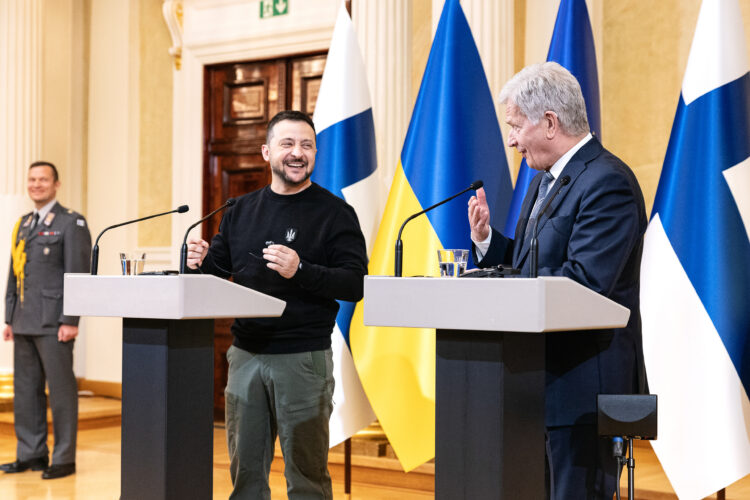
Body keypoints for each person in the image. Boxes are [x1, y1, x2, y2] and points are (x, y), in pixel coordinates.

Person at [467, 62, 647, 499]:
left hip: (584, 387)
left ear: (549, 123)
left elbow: (585, 283)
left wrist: (505, 290)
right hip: (536, 381)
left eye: (514, 126)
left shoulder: (608, 182)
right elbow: (535, 265)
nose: (510, 139)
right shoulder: (543, 180)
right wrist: (490, 243)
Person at [186, 110, 367, 499]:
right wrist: (199, 262)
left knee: (306, 478)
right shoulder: (239, 209)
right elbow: (218, 273)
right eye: (287, 144)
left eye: (306, 145)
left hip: (302, 359)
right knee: (246, 475)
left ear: (316, 153)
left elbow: (354, 283)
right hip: (245, 355)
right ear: (266, 152)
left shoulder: (335, 213)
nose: (297, 153)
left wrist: (301, 269)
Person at [2, 161, 91, 480]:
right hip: (24, 320)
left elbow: (78, 274)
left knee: (61, 391)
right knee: (26, 392)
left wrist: (71, 319)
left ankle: (64, 457)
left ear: (56, 184)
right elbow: (15, 274)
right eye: (32, 179)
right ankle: (31, 453)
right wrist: (9, 317)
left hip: (55, 323)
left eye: (43, 179)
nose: (36, 184)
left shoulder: (71, 223)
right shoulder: (24, 224)